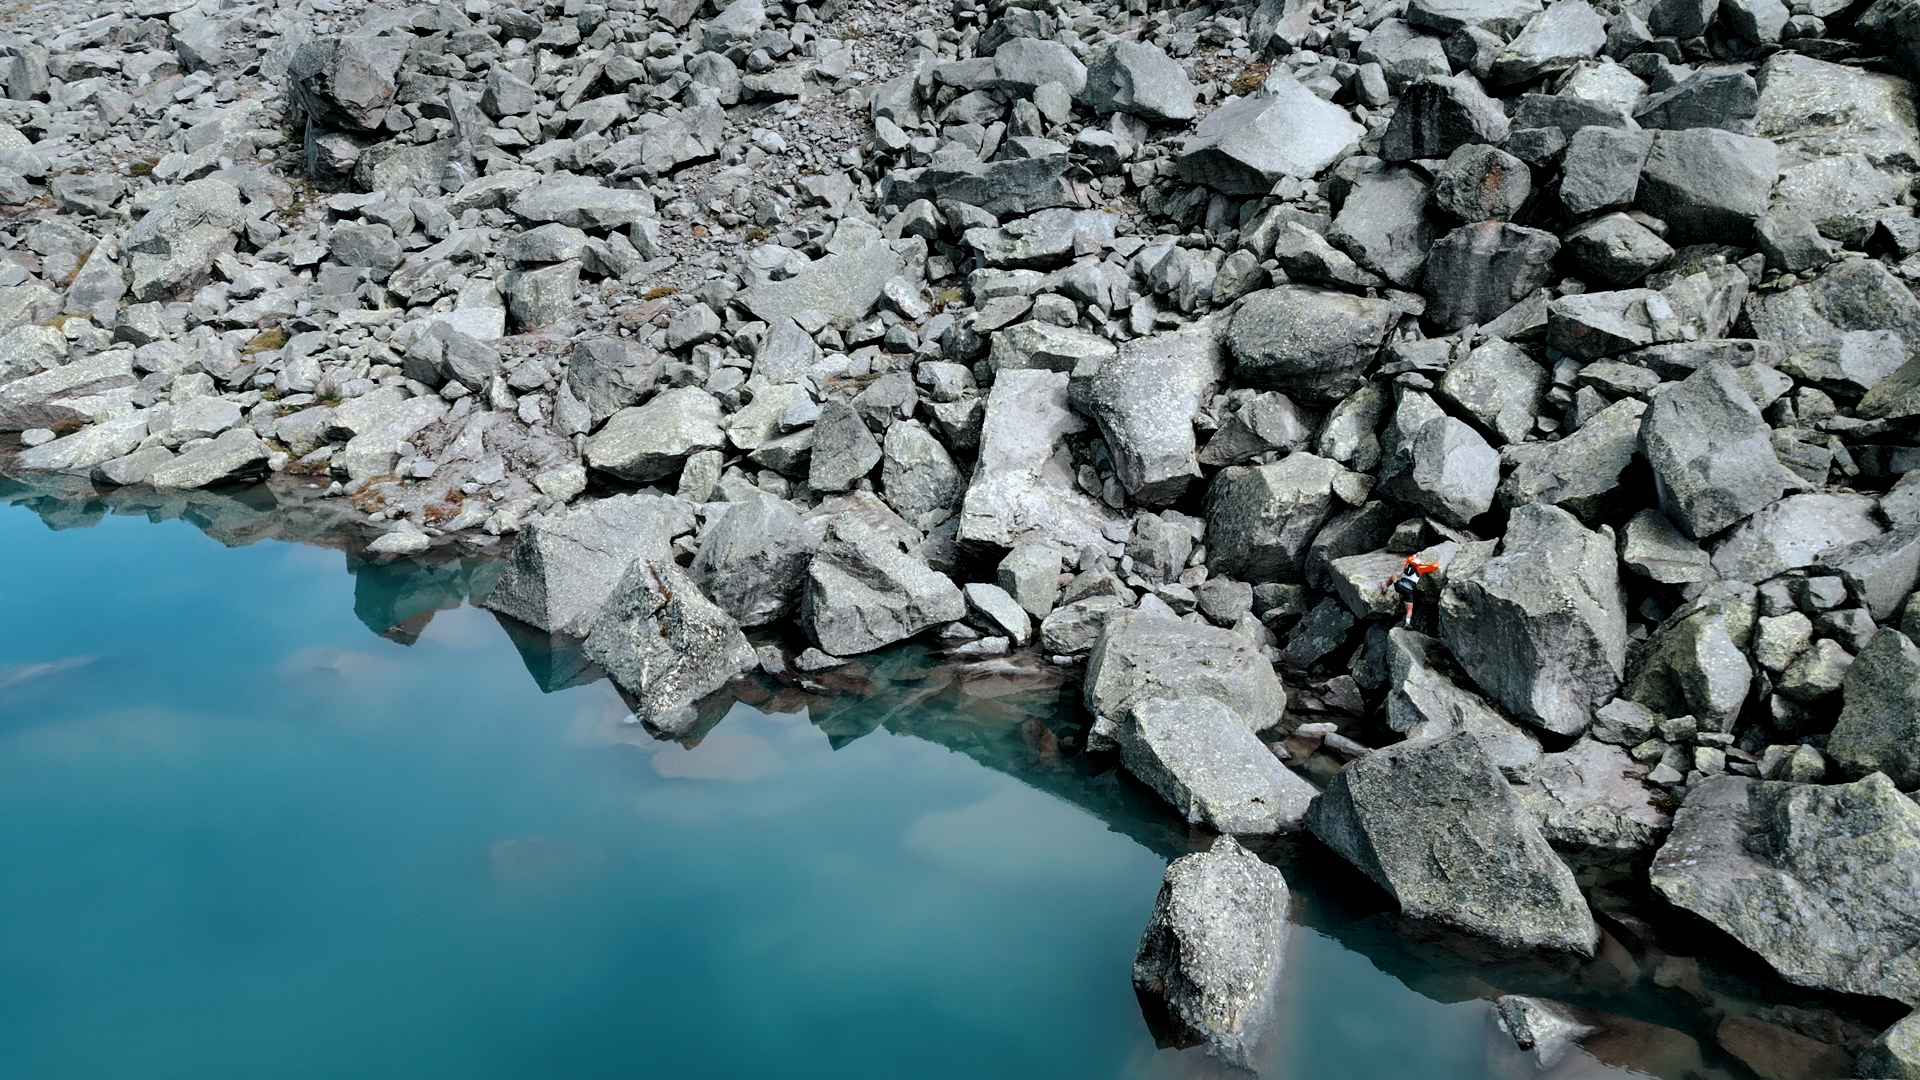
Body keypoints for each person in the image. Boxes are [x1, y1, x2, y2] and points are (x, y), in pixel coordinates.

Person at [1381, 556, 1441, 629]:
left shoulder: (1406, 565)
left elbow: (1408, 559)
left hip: (1399, 586)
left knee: (1394, 575)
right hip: (1408, 590)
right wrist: (1437, 563)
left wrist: (1415, 556)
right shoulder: (1419, 568)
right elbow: (1432, 567)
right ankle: (1407, 622)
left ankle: (1384, 588)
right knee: (1409, 610)